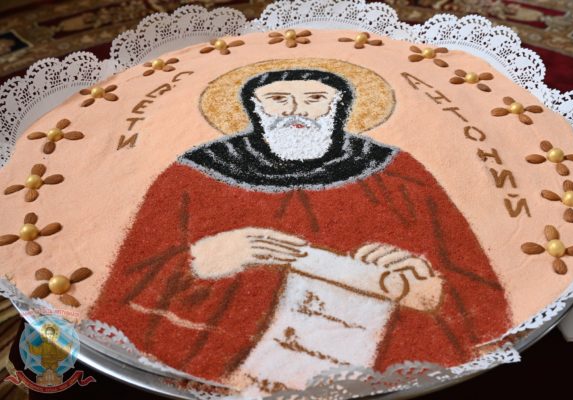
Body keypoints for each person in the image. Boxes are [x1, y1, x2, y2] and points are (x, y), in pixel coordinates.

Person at [90, 69, 510, 392]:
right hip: (222, 372)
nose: (297, 111)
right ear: (253, 108)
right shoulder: (192, 175)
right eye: (278, 99)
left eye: (314, 99)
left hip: (385, 369)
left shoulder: (399, 174)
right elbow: (117, 296)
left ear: (340, 107)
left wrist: (432, 291)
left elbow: (482, 293)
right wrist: (199, 261)